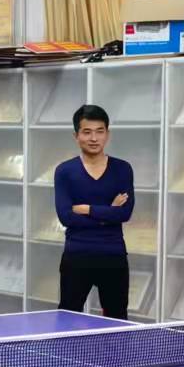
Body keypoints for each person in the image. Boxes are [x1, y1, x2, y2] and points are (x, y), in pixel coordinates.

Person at [54, 104, 133, 320]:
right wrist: (109, 211)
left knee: (117, 319)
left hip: (113, 255)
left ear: (108, 134)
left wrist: (87, 209)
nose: (94, 138)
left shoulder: (122, 169)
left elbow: (124, 214)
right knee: (68, 317)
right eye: (87, 132)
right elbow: (66, 217)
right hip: (77, 255)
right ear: (76, 136)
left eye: (100, 131)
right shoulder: (64, 171)